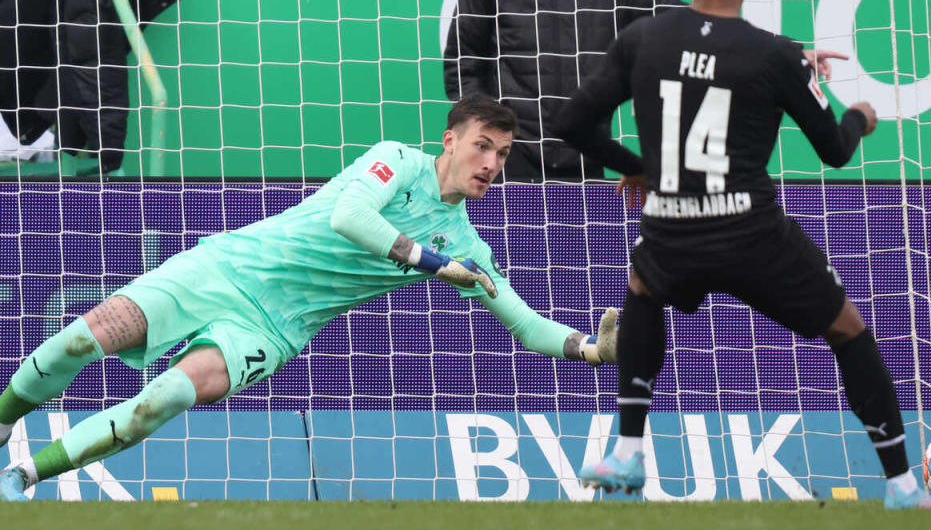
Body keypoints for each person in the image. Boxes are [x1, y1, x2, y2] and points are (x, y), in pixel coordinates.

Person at [0, 95, 617, 501]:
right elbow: (349, 217)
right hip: (222, 266)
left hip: (272, 330)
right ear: (450, 140)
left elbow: (526, 324)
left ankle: (21, 478)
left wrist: (592, 349)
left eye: (503, 154)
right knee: (81, 337)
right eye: (483, 145)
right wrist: (431, 262)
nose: (491, 163)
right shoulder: (395, 160)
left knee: (161, 400)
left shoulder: (467, 245)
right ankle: (4, 422)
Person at [555, 0, 931, 508]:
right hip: (753, 236)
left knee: (641, 287)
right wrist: (860, 116)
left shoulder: (643, 39)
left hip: (672, 229)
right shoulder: (774, 55)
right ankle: (903, 486)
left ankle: (629, 452)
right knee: (848, 330)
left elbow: (573, 124)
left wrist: (635, 165)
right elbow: (834, 152)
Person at [443, 0, 684, 181]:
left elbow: (677, 21)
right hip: (510, 158)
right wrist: (488, 134)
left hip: (587, 152)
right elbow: (463, 61)